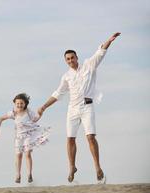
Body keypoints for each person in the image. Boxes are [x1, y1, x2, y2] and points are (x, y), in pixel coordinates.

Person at [37, 33, 121, 183]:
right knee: (70, 138)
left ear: (77, 57)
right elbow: (57, 94)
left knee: (90, 137)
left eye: (72, 58)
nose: (70, 61)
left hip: (87, 107)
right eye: (68, 59)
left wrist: (109, 41)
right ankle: (72, 167)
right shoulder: (66, 76)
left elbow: (100, 52)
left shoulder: (89, 65)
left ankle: (97, 167)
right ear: (66, 61)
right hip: (73, 109)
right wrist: (43, 106)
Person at [0, 93, 50, 183]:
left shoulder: (29, 112)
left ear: (25, 104)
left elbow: (35, 119)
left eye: (21, 103)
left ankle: (29, 174)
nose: (19, 105)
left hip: (28, 135)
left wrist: (40, 114)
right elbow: (1, 118)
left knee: (27, 154)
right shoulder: (13, 113)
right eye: (18, 103)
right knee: (18, 155)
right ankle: (18, 175)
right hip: (18, 137)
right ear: (15, 104)